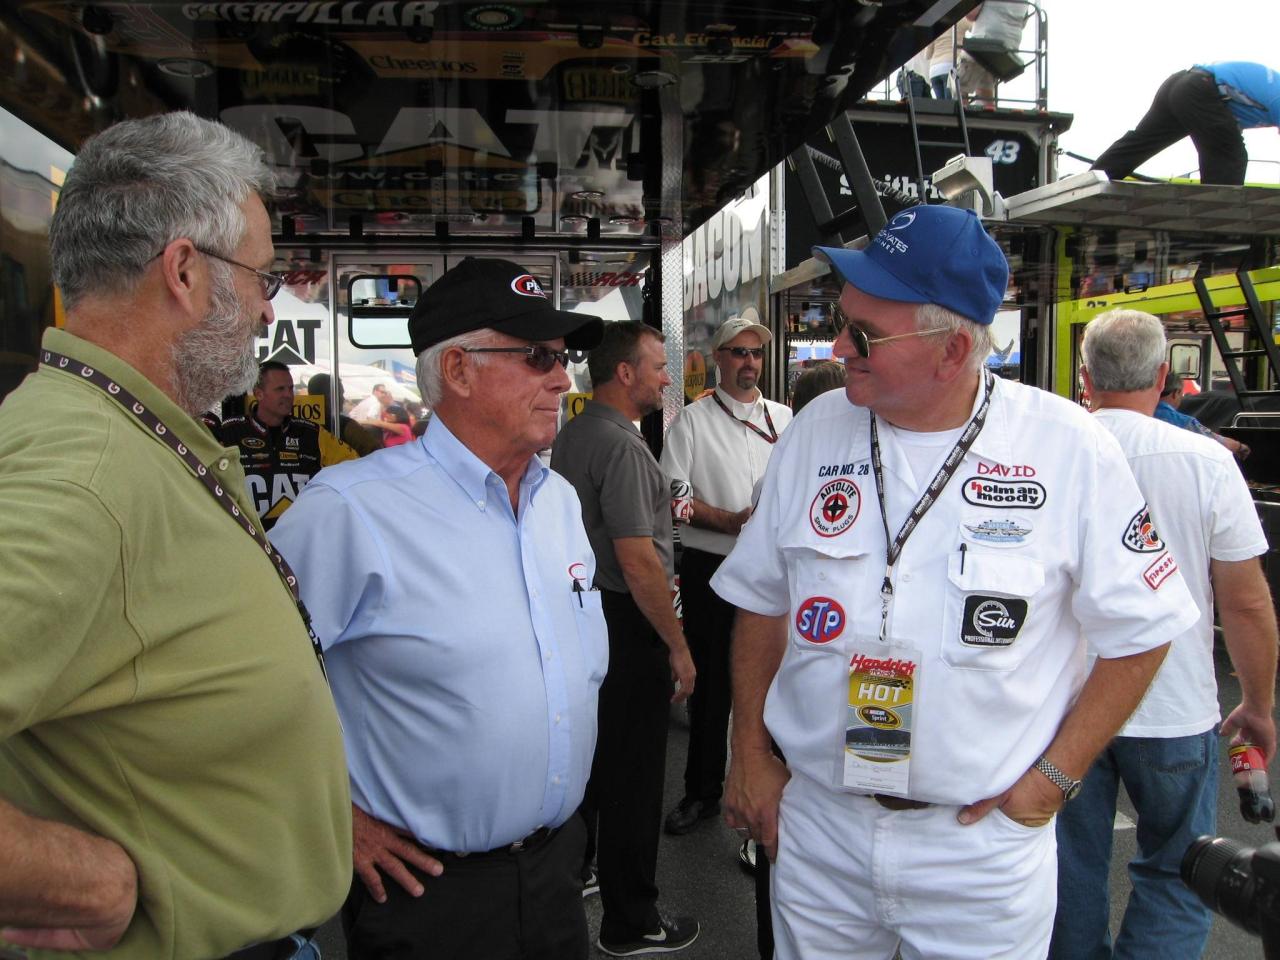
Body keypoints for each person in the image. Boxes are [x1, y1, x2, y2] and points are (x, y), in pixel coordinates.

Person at [713, 204, 1199, 960]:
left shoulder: (1067, 447)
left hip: (978, 848)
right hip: (821, 831)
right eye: (840, 322)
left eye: (863, 334)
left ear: (954, 350)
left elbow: (1145, 630)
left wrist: (1053, 781)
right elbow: (761, 599)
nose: (838, 347)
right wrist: (748, 749)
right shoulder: (814, 431)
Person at [0, 111, 350, 958]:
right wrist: (82, 881)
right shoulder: (85, 472)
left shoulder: (124, 430)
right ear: (185, 271)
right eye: (262, 276)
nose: (268, 308)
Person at [270, 257, 607, 960]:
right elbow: (240, 686)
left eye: (564, 357)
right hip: (429, 897)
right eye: (538, 357)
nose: (562, 379)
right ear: (458, 369)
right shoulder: (350, 511)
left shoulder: (559, 502)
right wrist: (335, 818)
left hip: (557, 874)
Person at [1051, 309, 1277, 960]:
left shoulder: (1053, 454)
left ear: (1085, 377)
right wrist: (1257, 705)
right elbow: (1245, 603)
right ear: (1161, 376)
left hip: (1065, 704)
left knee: (1068, 870)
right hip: (1174, 704)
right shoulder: (1206, 461)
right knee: (1183, 872)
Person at [550, 321, 700, 957]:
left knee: (596, 767)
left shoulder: (574, 434)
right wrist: (678, 647)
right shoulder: (624, 448)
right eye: (659, 366)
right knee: (635, 779)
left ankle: (586, 871)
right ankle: (632, 921)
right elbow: (639, 561)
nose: (667, 378)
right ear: (625, 372)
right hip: (629, 622)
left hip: (589, 614)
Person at [661, 316, 793, 836]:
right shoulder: (692, 421)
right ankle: (702, 793)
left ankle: (782, 789)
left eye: (755, 353)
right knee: (712, 687)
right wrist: (733, 521)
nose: (749, 362)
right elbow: (675, 501)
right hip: (712, 566)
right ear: (718, 358)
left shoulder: (785, 418)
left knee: (779, 681)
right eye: (738, 352)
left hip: (773, 569)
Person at [1093, 62, 1280, 186]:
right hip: (1200, 88)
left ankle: (1089, 183)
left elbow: (1223, 127)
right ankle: (1217, 219)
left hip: (1182, 83)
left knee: (1142, 142)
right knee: (1229, 155)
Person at [220, 360, 357, 528]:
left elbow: (353, 467)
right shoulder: (230, 432)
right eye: (280, 389)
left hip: (300, 534)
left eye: (290, 388)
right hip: (248, 536)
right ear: (259, 394)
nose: (288, 395)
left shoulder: (312, 433)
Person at [1157, 370, 1250, 460]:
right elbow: (1217, 441)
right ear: (1175, 393)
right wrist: (1239, 447)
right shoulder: (1185, 422)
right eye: (1181, 395)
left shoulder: (1148, 413)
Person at [956, 1, 1031, 105]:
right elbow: (1023, 24)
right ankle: (988, 107)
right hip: (1010, 46)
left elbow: (971, 15)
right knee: (985, 76)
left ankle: (962, 107)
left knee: (957, 82)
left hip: (985, 39)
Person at [307, 371, 382, 456]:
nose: (343, 399)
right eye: (340, 394)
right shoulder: (346, 426)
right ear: (329, 396)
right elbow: (375, 452)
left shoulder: (301, 423)